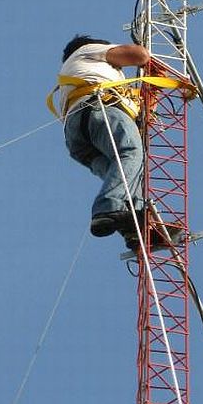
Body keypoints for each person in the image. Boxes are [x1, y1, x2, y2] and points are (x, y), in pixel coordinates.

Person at [58, 34, 150, 246]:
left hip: (78, 134)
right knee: (132, 153)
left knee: (125, 168)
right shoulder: (88, 50)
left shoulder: (80, 71)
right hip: (97, 110)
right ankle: (107, 208)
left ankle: (132, 225)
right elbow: (140, 55)